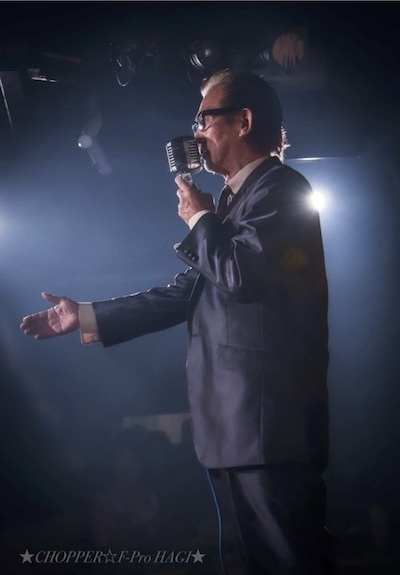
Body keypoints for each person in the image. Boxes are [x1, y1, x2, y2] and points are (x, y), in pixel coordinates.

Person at [20, 68, 330, 574]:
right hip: (237, 427)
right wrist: (87, 315)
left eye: (204, 119)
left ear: (244, 121)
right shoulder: (235, 201)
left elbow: (238, 273)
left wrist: (200, 219)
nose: (196, 133)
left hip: (268, 427)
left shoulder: (281, 188)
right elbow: (189, 291)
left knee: (288, 562)